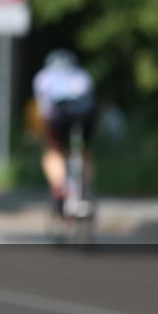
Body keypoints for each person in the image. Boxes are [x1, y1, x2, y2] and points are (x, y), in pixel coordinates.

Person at [32, 49, 97, 216]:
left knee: (53, 152)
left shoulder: (43, 78)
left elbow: (44, 111)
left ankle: (60, 186)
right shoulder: (83, 76)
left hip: (59, 122)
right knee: (83, 151)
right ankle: (84, 189)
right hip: (84, 123)